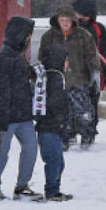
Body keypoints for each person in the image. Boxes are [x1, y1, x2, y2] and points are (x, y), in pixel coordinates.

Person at [0, 16, 39, 200]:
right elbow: (1, 91)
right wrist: (2, 118)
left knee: (31, 147)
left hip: (24, 115)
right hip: (7, 116)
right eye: (27, 34)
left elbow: (24, 78)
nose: (28, 38)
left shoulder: (20, 55)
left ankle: (22, 186)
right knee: (1, 151)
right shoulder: (4, 57)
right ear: (18, 34)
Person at [40, 4, 100, 149]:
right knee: (62, 112)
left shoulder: (84, 36)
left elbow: (92, 56)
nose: (65, 23)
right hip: (58, 81)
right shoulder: (49, 36)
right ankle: (66, 137)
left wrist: (95, 73)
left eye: (68, 20)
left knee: (83, 111)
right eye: (62, 19)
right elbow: (42, 56)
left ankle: (87, 135)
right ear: (57, 20)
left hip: (79, 79)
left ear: (73, 20)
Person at [72, 0, 106, 143]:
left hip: (92, 76)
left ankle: (88, 133)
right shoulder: (68, 27)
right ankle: (69, 133)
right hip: (71, 75)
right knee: (69, 104)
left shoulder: (98, 29)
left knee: (90, 105)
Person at [32, 43, 73, 201]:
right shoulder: (55, 78)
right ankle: (51, 191)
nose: (67, 63)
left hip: (51, 127)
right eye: (65, 59)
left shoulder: (48, 76)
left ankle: (54, 188)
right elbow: (56, 103)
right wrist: (61, 120)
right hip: (49, 127)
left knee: (57, 162)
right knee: (54, 161)